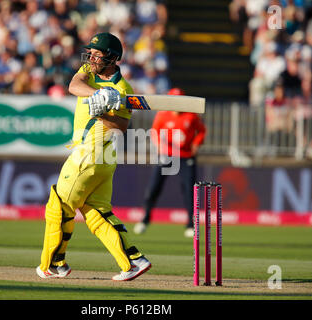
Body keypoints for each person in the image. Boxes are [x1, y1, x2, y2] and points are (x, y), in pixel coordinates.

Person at [36, 32, 151, 281]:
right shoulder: (89, 70)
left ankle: (52, 264)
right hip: (101, 159)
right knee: (97, 213)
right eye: (90, 53)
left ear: (112, 58)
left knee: (59, 206)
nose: (91, 57)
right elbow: (73, 85)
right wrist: (97, 96)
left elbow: (121, 126)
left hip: (92, 152)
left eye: (97, 54)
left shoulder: (123, 89)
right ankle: (133, 261)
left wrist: (104, 114)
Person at [134, 88, 206, 238]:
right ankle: (145, 219)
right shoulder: (163, 115)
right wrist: (161, 146)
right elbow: (155, 132)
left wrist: (197, 143)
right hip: (166, 156)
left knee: (189, 190)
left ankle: (190, 224)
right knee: (154, 187)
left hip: (186, 156)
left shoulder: (191, 116)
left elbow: (202, 131)